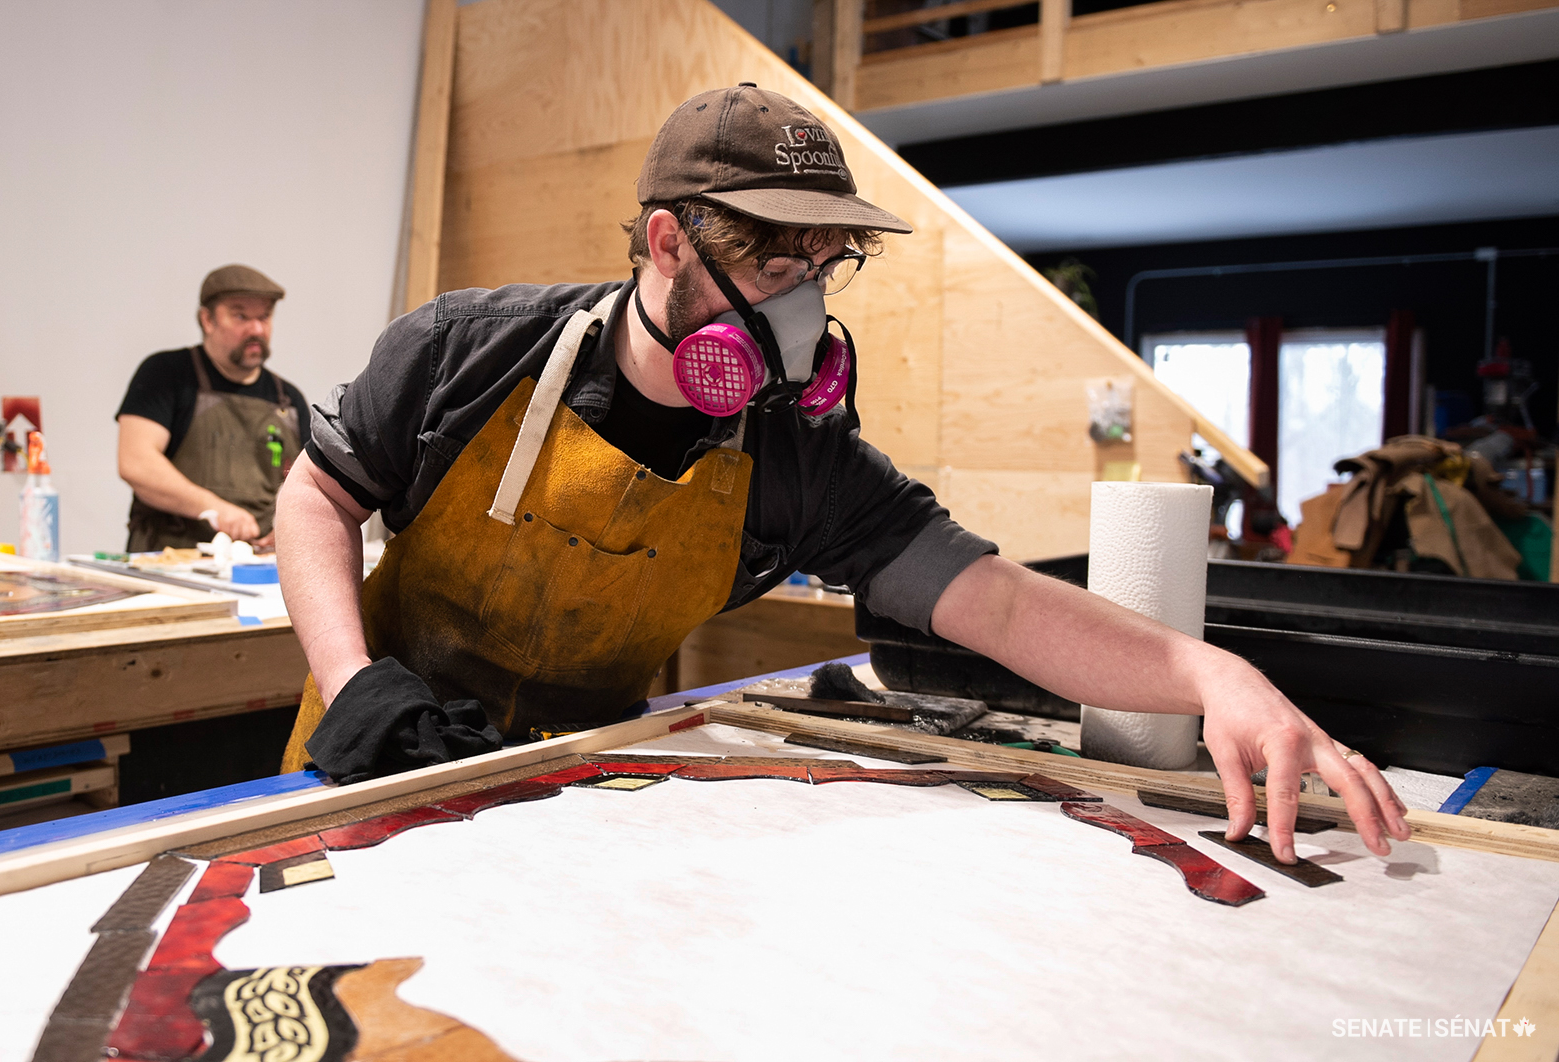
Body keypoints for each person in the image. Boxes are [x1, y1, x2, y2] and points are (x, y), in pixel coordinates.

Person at [275, 84, 1409, 866]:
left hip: (572, 791)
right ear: (668, 243)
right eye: (772, 263)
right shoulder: (468, 349)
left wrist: (1215, 677)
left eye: (825, 267)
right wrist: (356, 681)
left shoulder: (796, 463)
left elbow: (1000, 601)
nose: (801, 305)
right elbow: (318, 493)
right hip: (376, 753)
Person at [117, 264, 309, 552]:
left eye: (264, 317)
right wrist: (215, 509)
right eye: (240, 316)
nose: (256, 329)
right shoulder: (166, 375)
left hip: (257, 565)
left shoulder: (289, 400)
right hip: (172, 560)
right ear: (207, 319)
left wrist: (290, 524)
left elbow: (309, 481)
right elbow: (136, 462)